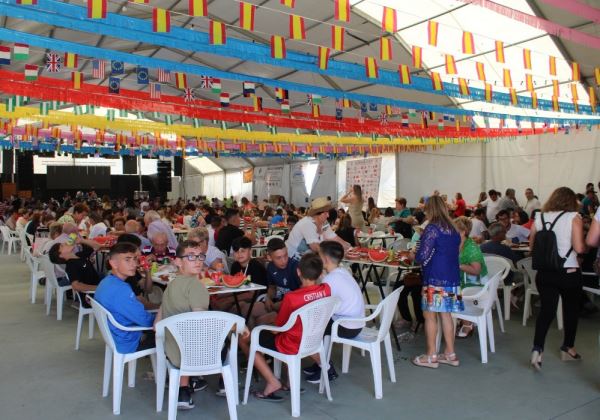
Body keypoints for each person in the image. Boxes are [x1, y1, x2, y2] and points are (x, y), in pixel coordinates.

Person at [239, 252, 331, 401]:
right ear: (321, 272)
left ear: (298, 272)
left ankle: (272, 382)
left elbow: (279, 327)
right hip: (313, 341)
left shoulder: (292, 298)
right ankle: (289, 382)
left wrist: (264, 327)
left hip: (291, 344)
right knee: (286, 331)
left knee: (248, 339)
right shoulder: (326, 289)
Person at [153, 240, 223, 409]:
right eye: (191, 257)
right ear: (178, 261)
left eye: (200, 256)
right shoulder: (197, 286)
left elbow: (156, 325)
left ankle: (183, 390)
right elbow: (199, 324)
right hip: (191, 356)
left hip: (170, 351)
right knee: (226, 340)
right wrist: (234, 327)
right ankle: (225, 384)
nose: (198, 261)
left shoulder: (170, 285)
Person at [529, 187, 586, 370]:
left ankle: (537, 350)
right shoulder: (573, 218)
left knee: (546, 312)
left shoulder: (540, 217)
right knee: (571, 310)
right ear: (571, 201)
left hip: (545, 273)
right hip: (568, 272)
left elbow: (532, 247)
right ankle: (568, 347)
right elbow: (578, 248)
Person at [411, 196, 462, 368]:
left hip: (435, 277)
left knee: (430, 315)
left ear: (430, 209)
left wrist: (413, 255)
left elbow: (422, 255)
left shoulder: (432, 228)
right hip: (452, 276)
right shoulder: (453, 228)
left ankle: (431, 355)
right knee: (446, 315)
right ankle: (450, 353)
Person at [303, 241, 365, 384]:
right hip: (355, 323)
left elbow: (319, 306)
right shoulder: (342, 271)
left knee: (310, 327)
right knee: (318, 324)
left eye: (318, 254)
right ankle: (319, 363)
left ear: (324, 259)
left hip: (346, 326)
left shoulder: (331, 280)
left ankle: (327, 369)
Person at [94, 242, 156, 353]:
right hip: (129, 341)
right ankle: (167, 369)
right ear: (114, 263)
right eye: (127, 260)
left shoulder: (107, 281)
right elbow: (146, 321)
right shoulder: (121, 289)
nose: (134, 264)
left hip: (116, 335)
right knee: (174, 330)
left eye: (134, 259)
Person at [454, 216, 488, 338]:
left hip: (475, 283)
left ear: (463, 232)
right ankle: (458, 317)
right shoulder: (458, 244)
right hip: (464, 279)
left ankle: (467, 323)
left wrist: (458, 265)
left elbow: (476, 270)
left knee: (449, 292)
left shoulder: (471, 248)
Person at [286, 197, 350, 260]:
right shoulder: (308, 223)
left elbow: (333, 237)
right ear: (317, 214)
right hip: (293, 259)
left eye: (328, 212)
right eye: (325, 213)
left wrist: (349, 246)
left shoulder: (324, 223)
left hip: (307, 258)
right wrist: (334, 253)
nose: (328, 215)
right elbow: (315, 247)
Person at [48, 234, 102, 304]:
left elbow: (97, 246)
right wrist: (98, 288)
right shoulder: (71, 266)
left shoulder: (79, 255)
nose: (65, 243)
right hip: (93, 297)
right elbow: (76, 286)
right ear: (60, 255)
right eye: (62, 245)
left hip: (99, 291)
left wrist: (81, 240)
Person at [264, 238, 301, 313]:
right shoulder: (270, 267)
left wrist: (283, 304)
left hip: (295, 307)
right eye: (278, 258)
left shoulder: (296, 266)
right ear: (269, 257)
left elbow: (303, 292)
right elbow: (272, 287)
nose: (284, 260)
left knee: (263, 319)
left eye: (285, 255)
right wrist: (268, 298)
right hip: (278, 303)